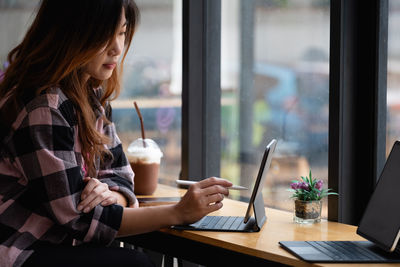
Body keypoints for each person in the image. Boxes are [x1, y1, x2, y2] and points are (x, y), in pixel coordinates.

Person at [0, 1, 233, 266]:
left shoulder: (90, 97)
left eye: (121, 33)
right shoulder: (43, 107)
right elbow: (79, 219)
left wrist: (112, 194)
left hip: (58, 243)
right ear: (70, 35)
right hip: (22, 249)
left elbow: (120, 174)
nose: (117, 48)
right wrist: (179, 212)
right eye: (105, 36)